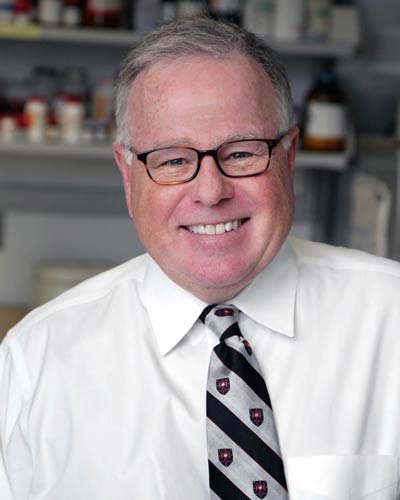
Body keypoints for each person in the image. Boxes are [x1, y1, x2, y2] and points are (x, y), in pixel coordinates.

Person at [1, 16, 400, 500]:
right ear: (129, 178)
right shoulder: (34, 362)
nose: (211, 192)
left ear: (289, 158)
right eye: (172, 160)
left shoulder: (390, 319)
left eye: (242, 154)